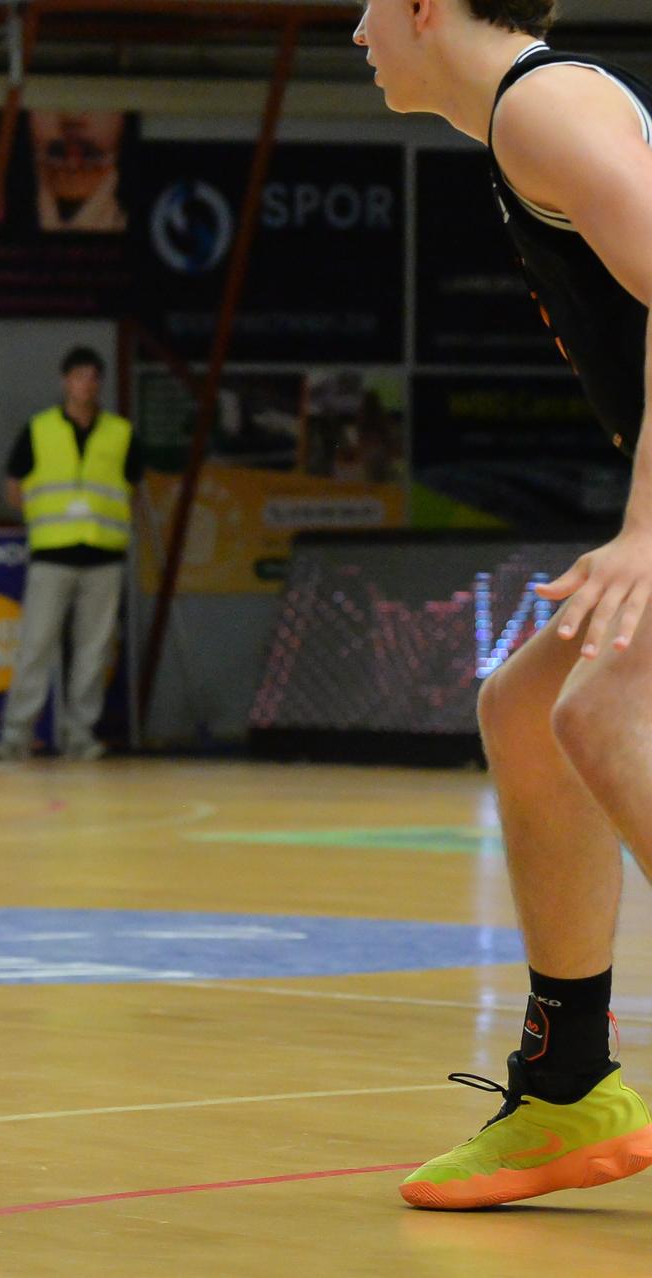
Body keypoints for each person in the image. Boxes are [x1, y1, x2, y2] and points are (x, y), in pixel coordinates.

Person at [354, 0, 652, 1208]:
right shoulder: (535, 117)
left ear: (428, 4)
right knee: (530, 711)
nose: (355, 31)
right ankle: (570, 1082)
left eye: (368, 3)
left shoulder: (541, 105)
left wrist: (647, 530)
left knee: (602, 717)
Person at [0, 347, 140, 762]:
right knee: (36, 646)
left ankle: (79, 734)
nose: (87, 384)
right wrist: (44, 520)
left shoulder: (120, 434)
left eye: (94, 376)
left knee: (93, 653)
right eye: (80, 375)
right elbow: (14, 484)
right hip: (53, 554)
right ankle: (16, 735)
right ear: (65, 381)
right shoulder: (39, 429)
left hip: (103, 556)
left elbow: (132, 487)